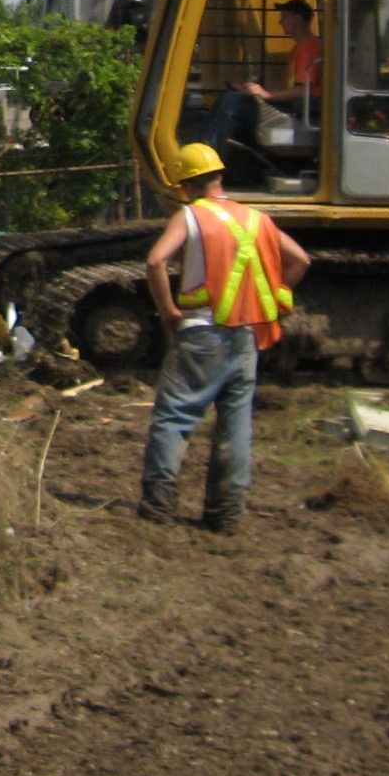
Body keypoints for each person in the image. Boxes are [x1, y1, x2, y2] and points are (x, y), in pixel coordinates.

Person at [137, 141, 311, 532]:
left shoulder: (190, 216)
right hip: (246, 337)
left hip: (200, 331)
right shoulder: (257, 218)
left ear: (185, 185)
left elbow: (155, 261)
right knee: (235, 422)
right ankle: (225, 513)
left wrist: (168, 311)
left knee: (175, 416)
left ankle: (158, 505)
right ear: (220, 176)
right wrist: (276, 296)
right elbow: (301, 260)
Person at [199, 0, 322, 165]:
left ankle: (206, 158)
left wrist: (266, 94)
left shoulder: (309, 49)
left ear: (299, 18)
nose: (280, 21)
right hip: (291, 105)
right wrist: (251, 89)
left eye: (284, 16)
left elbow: (304, 91)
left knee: (231, 103)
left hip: (298, 110)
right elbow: (285, 86)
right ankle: (205, 150)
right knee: (231, 97)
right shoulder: (299, 48)